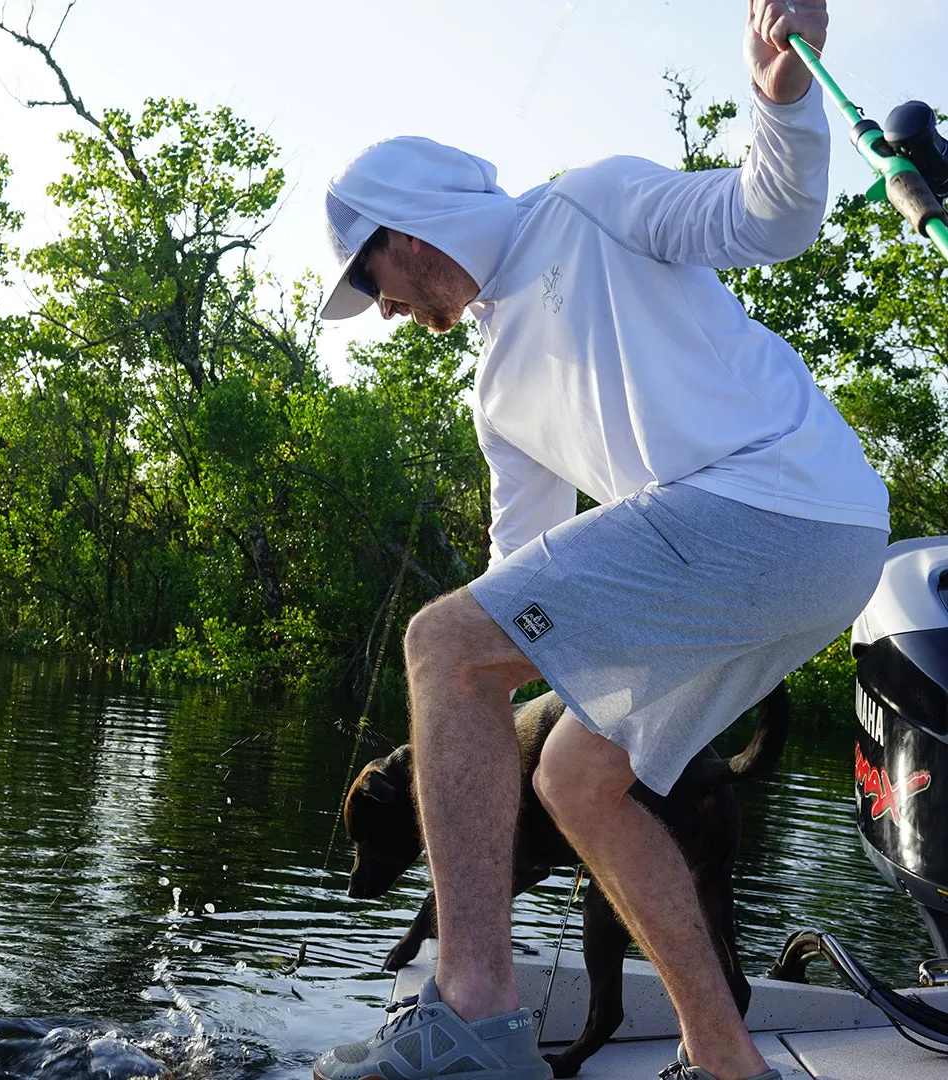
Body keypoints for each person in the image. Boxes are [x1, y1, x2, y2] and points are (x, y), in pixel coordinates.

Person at [313, 3, 889, 1080]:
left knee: (441, 645)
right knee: (575, 778)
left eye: (369, 282)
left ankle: (474, 1011)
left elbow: (771, 217)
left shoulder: (591, 202)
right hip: (776, 557)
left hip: (783, 503)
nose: (381, 311)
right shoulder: (496, 384)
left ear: (401, 235)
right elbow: (520, 572)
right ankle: (725, 1058)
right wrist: (467, 721)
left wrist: (780, 92)